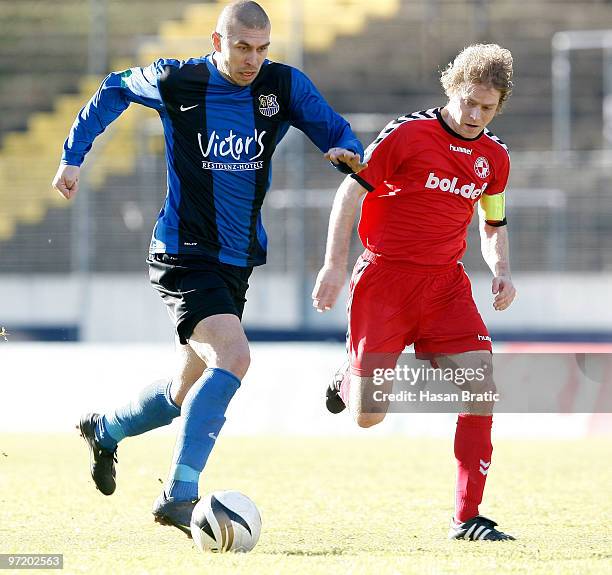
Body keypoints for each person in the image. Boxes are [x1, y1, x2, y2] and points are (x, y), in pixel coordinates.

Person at [52, 0, 365, 537]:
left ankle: (104, 430)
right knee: (234, 356)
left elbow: (336, 131)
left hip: (236, 259)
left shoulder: (283, 86)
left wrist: (346, 150)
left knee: (183, 389)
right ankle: (180, 495)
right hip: (182, 253)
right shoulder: (177, 79)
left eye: (263, 48)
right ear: (217, 41)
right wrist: (73, 155)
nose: (253, 60)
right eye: (242, 47)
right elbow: (114, 87)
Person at [312, 44, 516, 541]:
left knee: (481, 387)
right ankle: (348, 379)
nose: (474, 115)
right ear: (452, 90)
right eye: (468, 102)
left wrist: (502, 270)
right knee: (368, 417)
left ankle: (466, 518)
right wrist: (334, 266)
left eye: (486, 108)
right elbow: (351, 190)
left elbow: (492, 224)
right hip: (384, 281)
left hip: (446, 285)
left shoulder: (496, 157)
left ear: (498, 106)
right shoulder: (408, 134)